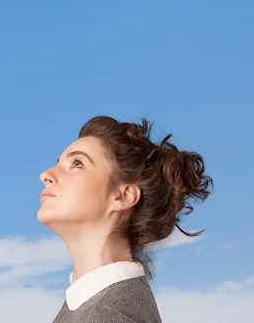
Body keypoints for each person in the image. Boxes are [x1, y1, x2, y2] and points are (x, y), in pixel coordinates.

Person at [38, 116, 213, 322]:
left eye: (77, 163)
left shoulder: (108, 316)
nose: (46, 175)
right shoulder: (92, 305)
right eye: (59, 163)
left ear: (123, 196)